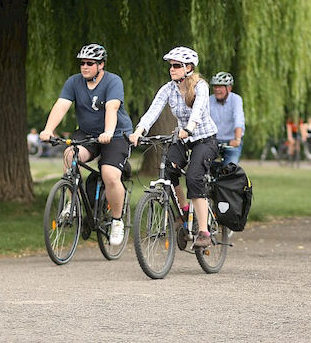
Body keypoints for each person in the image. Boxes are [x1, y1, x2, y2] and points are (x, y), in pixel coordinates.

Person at [39, 43, 133, 246]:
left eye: (90, 63)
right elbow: (62, 105)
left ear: (101, 65)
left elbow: (112, 107)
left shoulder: (113, 81)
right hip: (88, 133)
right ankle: (72, 203)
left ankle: (117, 220)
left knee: (109, 174)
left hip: (115, 134)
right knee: (69, 155)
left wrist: (108, 132)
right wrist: (48, 129)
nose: (85, 66)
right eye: (82, 63)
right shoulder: (74, 82)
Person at [129, 47, 218, 248]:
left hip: (204, 139)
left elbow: (198, 109)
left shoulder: (200, 86)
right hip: (183, 138)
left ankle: (203, 231)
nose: (172, 69)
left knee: (194, 177)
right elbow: (153, 111)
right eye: (170, 66)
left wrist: (189, 127)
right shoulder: (168, 89)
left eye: (176, 66)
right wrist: (138, 131)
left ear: (188, 68)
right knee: (168, 171)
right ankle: (185, 211)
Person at [209, 71, 245, 164]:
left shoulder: (236, 99)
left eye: (220, 86)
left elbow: (239, 119)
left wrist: (237, 140)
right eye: (215, 86)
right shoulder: (209, 100)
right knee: (204, 166)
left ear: (229, 88)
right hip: (213, 141)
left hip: (231, 141)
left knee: (230, 169)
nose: (217, 89)